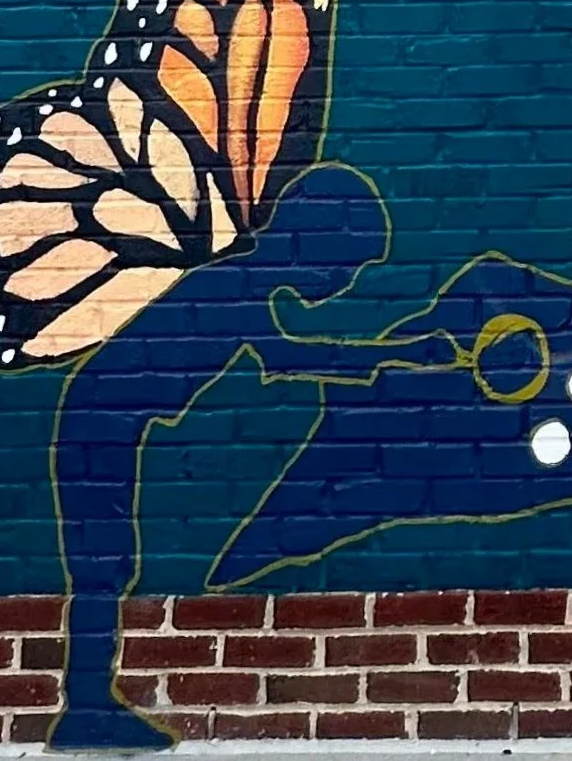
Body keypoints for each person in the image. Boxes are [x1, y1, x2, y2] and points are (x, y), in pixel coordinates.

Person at [47, 162, 416, 751]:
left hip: (105, 423)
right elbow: (286, 359)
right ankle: (85, 706)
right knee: (105, 564)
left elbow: (281, 356)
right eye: (349, 264)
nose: (345, 280)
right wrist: (391, 357)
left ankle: (88, 702)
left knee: (109, 564)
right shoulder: (237, 283)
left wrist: (391, 356)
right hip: (98, 424)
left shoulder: (243, 280)